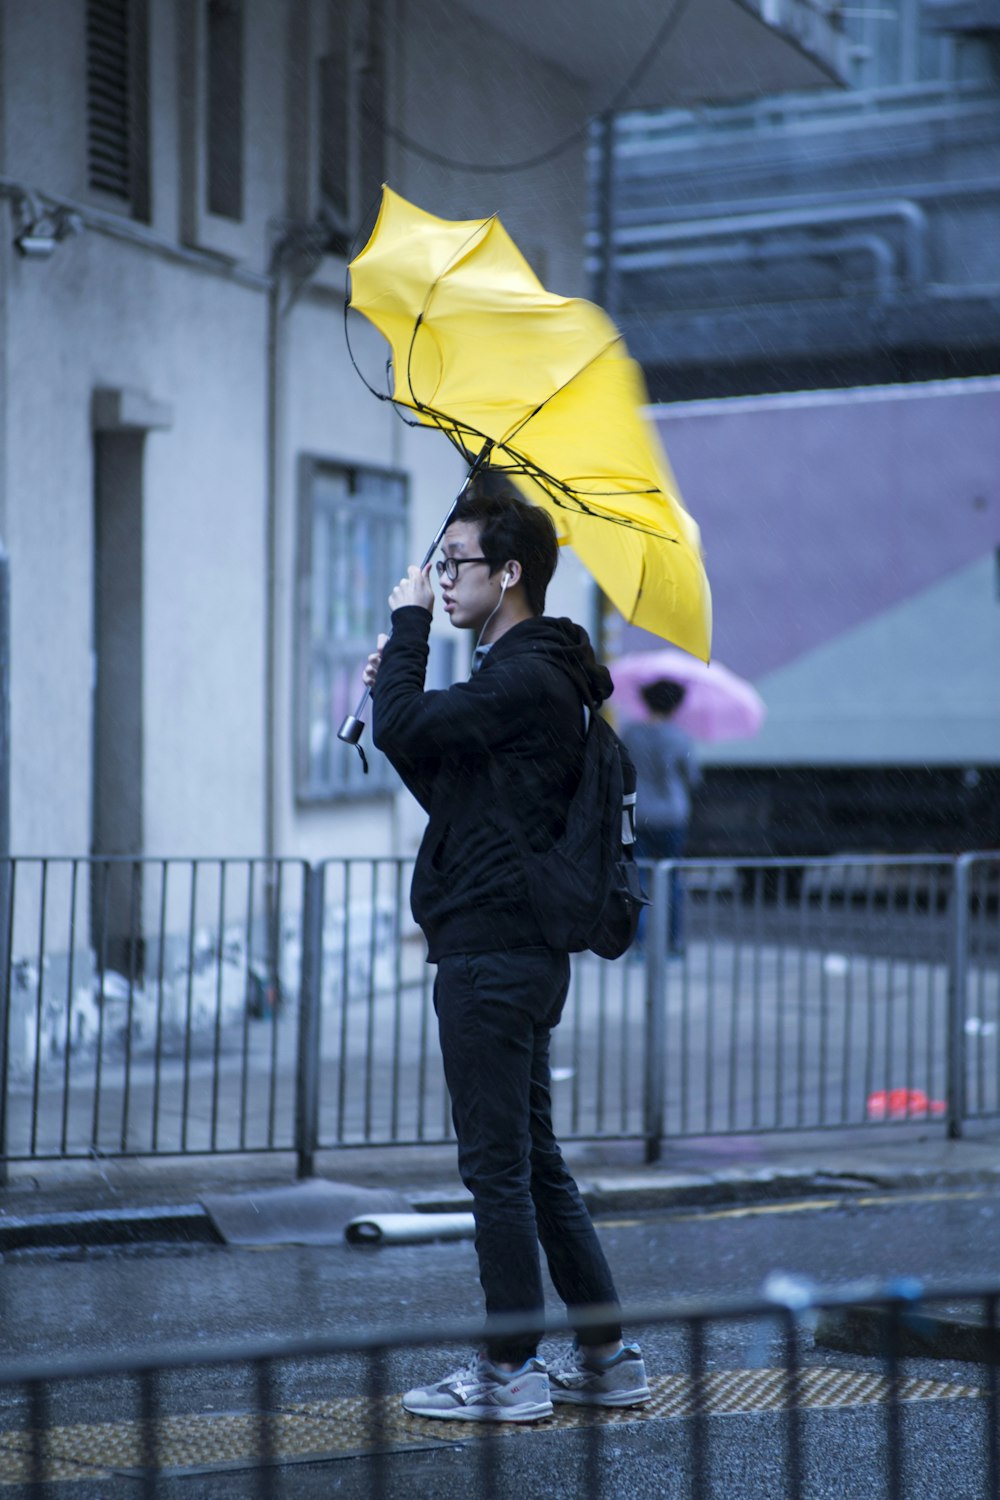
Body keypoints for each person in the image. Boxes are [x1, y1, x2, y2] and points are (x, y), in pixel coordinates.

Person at [363, 478, 649, 1423]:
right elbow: (457, 799)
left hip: (491, 960)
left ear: (512, 572)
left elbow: (415, 724)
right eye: (438, 567)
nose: (442, 581)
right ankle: (606, 1359)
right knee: (534, 1160)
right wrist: (394, 689)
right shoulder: (535, 679)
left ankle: (512, 1370)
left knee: (498, 1171)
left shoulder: (524, 676)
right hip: (513, 951)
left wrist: (405, 640)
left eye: (458, 565)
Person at [621, 680, 700, 956]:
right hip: (671, 815)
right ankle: (673, 942)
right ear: (675, 705)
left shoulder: (631, 733)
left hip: (638, 814)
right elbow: (692, 777)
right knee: (671, 878)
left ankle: (639, 943)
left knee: (638, 878)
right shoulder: (679, 737)